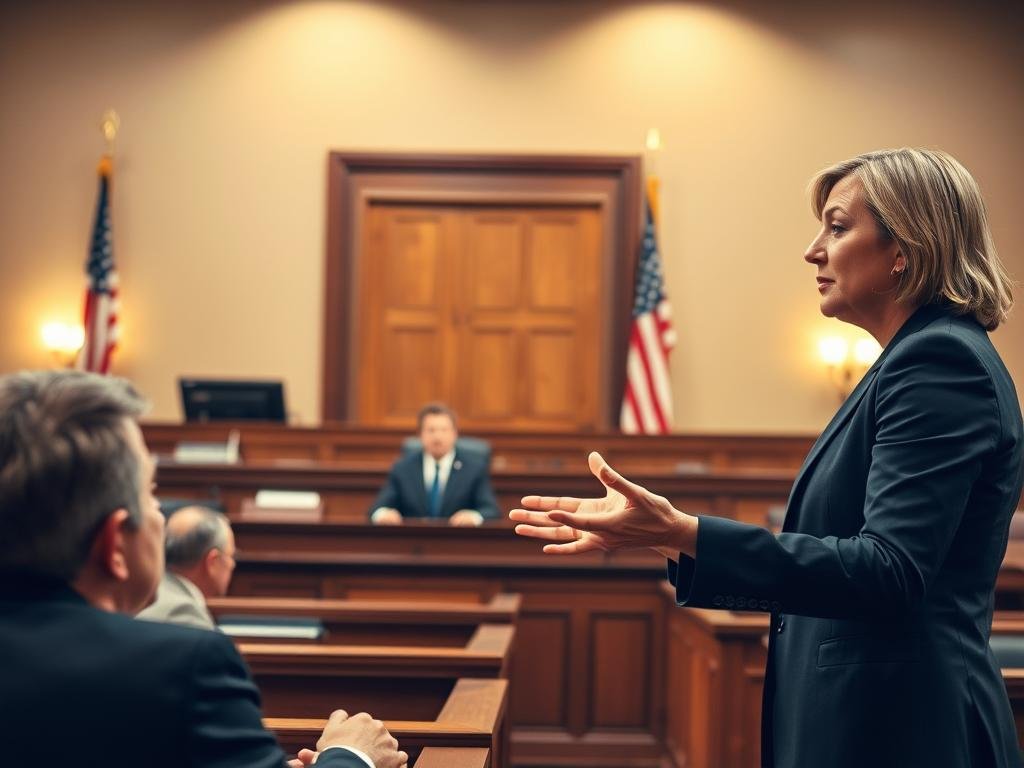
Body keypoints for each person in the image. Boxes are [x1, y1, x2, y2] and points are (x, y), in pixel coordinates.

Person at [511, 148, 1024, 767]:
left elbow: (889, 571)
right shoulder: (909, 361)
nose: (813, 251)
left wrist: (687, 531)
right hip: (873, 719)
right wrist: (667, 538)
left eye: (837, 227)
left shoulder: (940, 363)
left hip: (904, 729)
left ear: (903, 250)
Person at [0, 370, 408, 768]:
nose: (161, 517)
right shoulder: (181, 669)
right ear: (114, 542)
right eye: (151, 495)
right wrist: (351, 757)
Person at [370, 402, 499, 526]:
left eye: (444, 430)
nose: (437, 437)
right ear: (420, 434)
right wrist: (383, 514)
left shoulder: (474, 468)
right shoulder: (403, 468)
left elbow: (491, 511)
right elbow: (377, 509)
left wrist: (473, 516)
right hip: (414, 542)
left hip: (458, 541)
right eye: (431, 430)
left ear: (455, 434)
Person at [137, 505, 236, 630]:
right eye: (231, 556)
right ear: (213, 562)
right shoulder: (185, 616)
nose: (232, 564)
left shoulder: (142, 594)